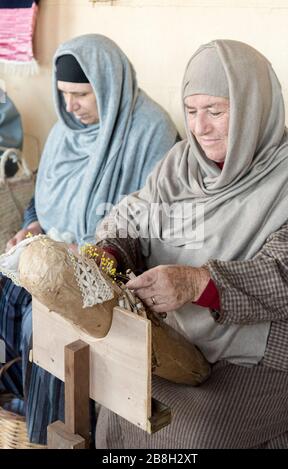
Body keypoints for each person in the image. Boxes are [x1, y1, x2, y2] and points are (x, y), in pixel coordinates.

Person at [94, 40, 288, 449]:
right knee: (115, 417)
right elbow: (135, 216)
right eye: (191, 112)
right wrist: (112, 252)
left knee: (197, 437)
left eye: (216, 112)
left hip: (263, 358)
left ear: (253, 107)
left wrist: (198, 283)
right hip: (180, 343)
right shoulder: (181, 164)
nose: (199, 128)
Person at [0, 33, 178, 444]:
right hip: (51, 256)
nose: (69, 107)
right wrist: (34, 227)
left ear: (108, 85)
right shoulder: (66, 133)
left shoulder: (149, 132)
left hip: (107, 269)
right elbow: (44, 198)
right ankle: (20, 403)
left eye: (81, 94)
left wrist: (87, 254)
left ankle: (44, 434)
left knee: (43, 326)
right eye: (63, 94)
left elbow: (151, 226)